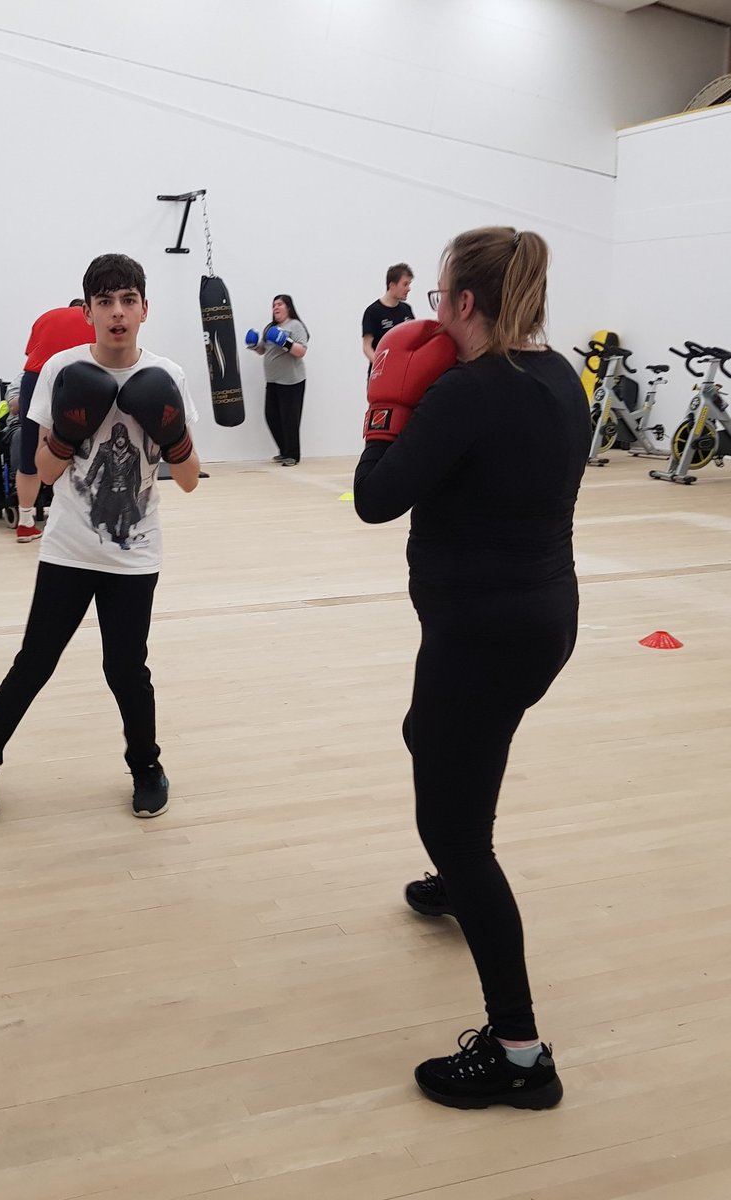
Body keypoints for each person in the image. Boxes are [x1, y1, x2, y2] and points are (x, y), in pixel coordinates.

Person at [353, 227, 589, 1110]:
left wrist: (384, 404)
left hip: (480, 630)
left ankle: (521, 1056)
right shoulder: (560, 375)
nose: (429, 312)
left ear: (462, 304)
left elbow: (376, 501)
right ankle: (458, 884)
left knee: (454, 822)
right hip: (539, 620)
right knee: (440, 738)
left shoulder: (463, 393)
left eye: (440, 294)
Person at [0, 253, 200, 821]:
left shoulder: (169, 375)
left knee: (126, 669)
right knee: (35, 661)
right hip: (68, 546)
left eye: (128, 301)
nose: (117, 313)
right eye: (105, 302)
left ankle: (146, 766)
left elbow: (188, 481)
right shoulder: (63, 370)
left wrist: (174, 438)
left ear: (144, 308)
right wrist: (68, 431)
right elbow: (43, 472)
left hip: (136, 551)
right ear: (88, 309)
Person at [12, 300, 96, 543]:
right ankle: (80, 520)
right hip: (76, 379)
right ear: (87, 308)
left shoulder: (46, 316)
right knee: (83, 450)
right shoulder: (94, 319)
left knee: (30, 452)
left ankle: (26, 522)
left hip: (35, 379)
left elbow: (32, 354)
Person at [244, 295, 309, 465]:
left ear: (288, 307)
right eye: (273, 305)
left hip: (292, 381)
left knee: (290, 418)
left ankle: (293, 455)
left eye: (279, 304)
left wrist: (284, 342)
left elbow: (301, 351)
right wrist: (253, 345)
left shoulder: (295, 325)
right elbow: (263, 350)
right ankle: (284, 450)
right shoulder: (270, 328)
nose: (276, 307)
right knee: (271, 416)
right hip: (273, 381)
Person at [361, 264, 415, 367]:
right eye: (405, 284)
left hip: (404, 372)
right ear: (392, 286)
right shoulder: (373, 311)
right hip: (381, 375)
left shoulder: (406, 309)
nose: (408, 289)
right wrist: (382, 365)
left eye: (409, 284)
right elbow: (367, 347)